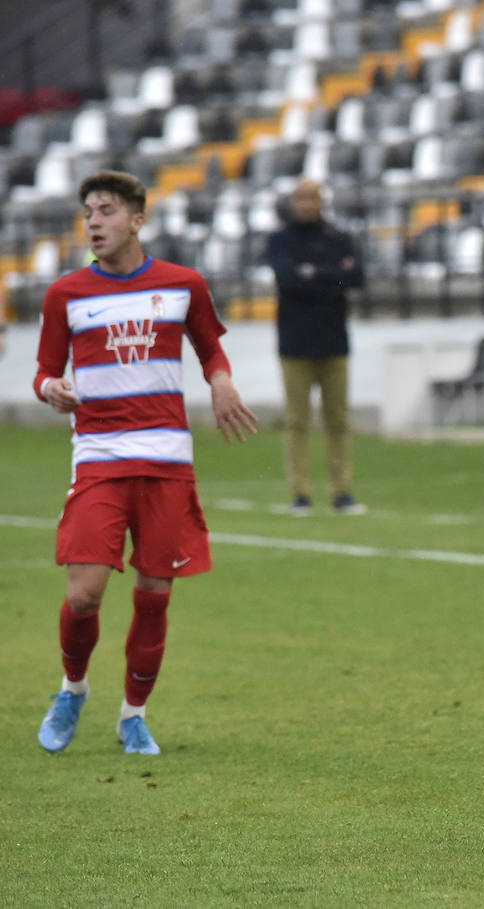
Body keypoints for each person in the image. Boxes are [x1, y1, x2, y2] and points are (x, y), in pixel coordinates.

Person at [32, 170, 258, 756]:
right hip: (100, 459)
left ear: (137, 219)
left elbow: (210, 348)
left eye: (105, 210)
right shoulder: (64, 294)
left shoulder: (183, 284)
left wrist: (222, 382)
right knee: (83, 594)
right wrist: (51, 389)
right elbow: (44, 370)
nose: (93, 222)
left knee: (155, 592)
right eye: (87, 212)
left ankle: (133, 715)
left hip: (166, 461)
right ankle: (73, 687)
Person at [267, 178, 366, 516]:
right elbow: (288, 279)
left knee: (338, 420)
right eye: (301, 198)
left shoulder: (338, 237)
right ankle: (301, 494)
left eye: (312, 198)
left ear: (321, 201)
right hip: (294, 343)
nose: (307, 204)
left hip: (334, 341)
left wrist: (311, 274)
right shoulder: (281, 240)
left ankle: (341, 491)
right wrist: (332, 276)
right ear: (293, 202)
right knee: (297, 421)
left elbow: (356, 277)